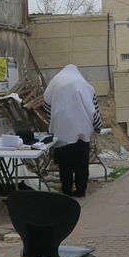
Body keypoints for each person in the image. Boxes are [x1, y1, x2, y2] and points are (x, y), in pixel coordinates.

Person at [42, 64, 103, 198]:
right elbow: (94, 110)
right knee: (81, 165)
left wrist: (56, 120)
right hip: (82, 135)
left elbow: (46, 103)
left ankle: (67, 191)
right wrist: (97, 128)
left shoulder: (55, 83)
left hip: (61, 134)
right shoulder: (85, 86)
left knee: (65, 165)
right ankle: (80, 191)